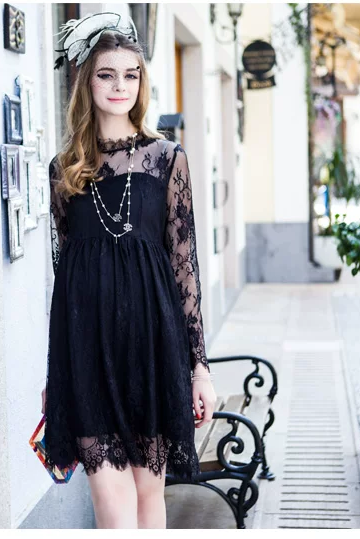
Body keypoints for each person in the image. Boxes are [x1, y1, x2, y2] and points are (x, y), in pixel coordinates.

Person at [41, 12, 217, 529]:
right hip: (89, 355)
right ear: (86, 82)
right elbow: (64, 283)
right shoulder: (64, 170)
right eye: (106, 74)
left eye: (130, 75)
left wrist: (199, 368)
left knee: (147, 499)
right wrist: (56, 374)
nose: (119, 86)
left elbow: (185, 267)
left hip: (152, 348)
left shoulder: (167, 159)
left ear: (141, 83)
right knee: (112, 507)